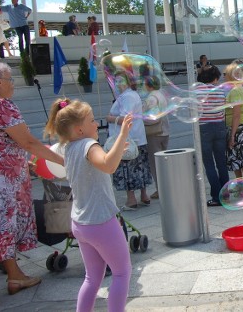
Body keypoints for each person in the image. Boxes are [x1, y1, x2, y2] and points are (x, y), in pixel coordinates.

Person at [0, 61, 64, 308]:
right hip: (3, 181)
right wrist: (66, 161)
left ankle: (15, 276)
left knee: (1, 227)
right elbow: (29, 143)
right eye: (10, 80)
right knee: (3, 229)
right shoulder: (0, 105)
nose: (13, 84)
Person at [44, 98, 132, 312]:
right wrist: (121, 136)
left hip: (80, 224)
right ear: (79, 128)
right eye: (92, 120)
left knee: (92, 278)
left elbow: (99, 166)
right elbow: (109, 165)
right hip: (101, 222)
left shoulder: (68, 147)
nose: (96, 124)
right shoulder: (88, 144)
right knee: (121, 273)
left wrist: (118, 149)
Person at [107, 71, 153, 209]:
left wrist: (110, 118)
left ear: (129, 82)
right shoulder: (131, 95)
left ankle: (131, 199)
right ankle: (144, 196)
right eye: (116, 81)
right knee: (141, 167)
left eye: (121, 80)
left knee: (128, 169)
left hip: (128, 139)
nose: (118, 83)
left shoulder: (127, 97)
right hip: (137, 138)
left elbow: (125, 118)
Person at [196, 65, 229, 207]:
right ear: (215, 77)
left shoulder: (197, 91)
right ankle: (226, 195)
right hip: (220, 126)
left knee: (209, 164)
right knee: (221, 162)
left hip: (204, 128)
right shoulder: (220, 90)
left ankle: (216, 196)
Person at [141, 76, 170, 200]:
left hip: (155, 133)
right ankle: (165, 187)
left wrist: (142, 118)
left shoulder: (152, 98)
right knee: (163, 162)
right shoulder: (161, 95)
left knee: (155, 164)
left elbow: (153, 117)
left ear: (149, 85)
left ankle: (161, 190)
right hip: (165, 132)